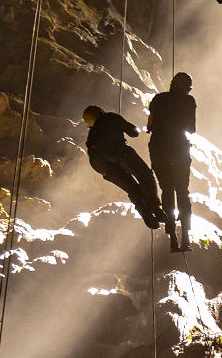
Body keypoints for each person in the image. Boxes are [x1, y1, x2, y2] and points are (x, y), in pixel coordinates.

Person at [81, 105, 163, 228]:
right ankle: (155, 208)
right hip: (118, 151)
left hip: (99, 163)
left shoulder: (92, 133)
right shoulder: (110, 117)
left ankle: (146, 215)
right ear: (100, 111)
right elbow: (134, 133)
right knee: (145, 175)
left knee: (132, 188)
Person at [147, 73, 196, 252]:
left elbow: (149, 126)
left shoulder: (158, 99)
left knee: (167, 190)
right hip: (179, 149)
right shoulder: (189, 101)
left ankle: (172, 239)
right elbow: (192, 129)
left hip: (158, 150)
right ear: (187, 88)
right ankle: (186, 239)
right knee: (182, 191)